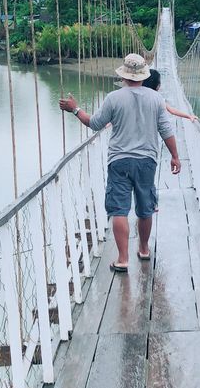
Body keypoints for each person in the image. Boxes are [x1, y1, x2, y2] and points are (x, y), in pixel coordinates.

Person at [59, 53, 181, 273]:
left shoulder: (113, 98)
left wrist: (75, 109)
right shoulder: (156, 99)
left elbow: (95, 124)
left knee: (119, 210)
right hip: (146, 161)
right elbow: (166, 130)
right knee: (145, 208)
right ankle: (144, 249)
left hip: (119, 161)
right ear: (144, 75)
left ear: (124, 75)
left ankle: (123, 259)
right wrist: (175, 156)